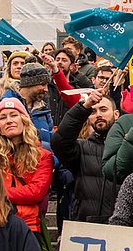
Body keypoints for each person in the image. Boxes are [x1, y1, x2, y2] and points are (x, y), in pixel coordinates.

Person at [0, 99, 53, 245]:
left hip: (27, 228)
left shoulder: (43, 155)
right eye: (3, 118)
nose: (9, 121)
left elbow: (35, 192)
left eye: (14, 115)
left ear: (24, 120)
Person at [50, 89, 121, 224]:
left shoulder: (127, 147)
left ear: (116, 114)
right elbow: (59, 141)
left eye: (104, 109)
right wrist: (84, 107)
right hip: (88, 226)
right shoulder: (82, 148)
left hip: (124, 228)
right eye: (93, 112)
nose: (98, 115)